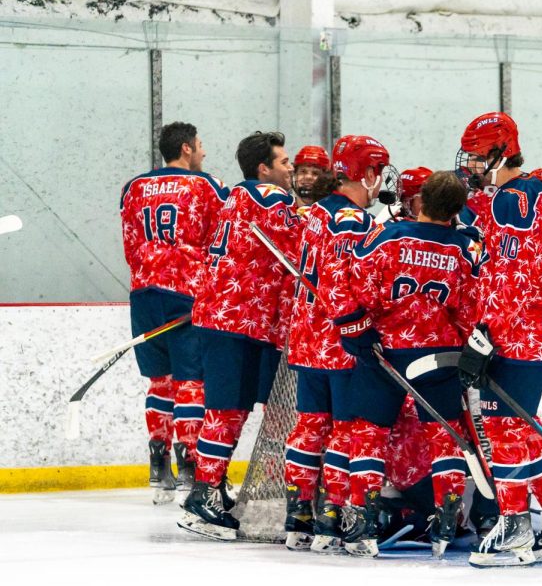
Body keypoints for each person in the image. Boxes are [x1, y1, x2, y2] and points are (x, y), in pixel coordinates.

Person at [454, 111, 542, 567]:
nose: (468, 164)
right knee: (524, 425)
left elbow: (514, 278)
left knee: (503, 427)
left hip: (517, 335)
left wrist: (487, 332)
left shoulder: (511, 200)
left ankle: (514, 526)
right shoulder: (532, 192)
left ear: (499, 152)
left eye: (475, 156)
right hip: (538, 330)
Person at [328, 171, 480, 557]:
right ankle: (447, 523)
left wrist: (356, 329)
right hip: (438, 354)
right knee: (445, 435)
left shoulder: (388, 238)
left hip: (386, 352)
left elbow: (349, 285)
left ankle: (360, 522)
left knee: (369, 433)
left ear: (420, 202)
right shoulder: (463, 248)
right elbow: (470, 307)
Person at [178, 132, 299, 540]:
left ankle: (208, 489)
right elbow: (300, 250)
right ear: (263, 168)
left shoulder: (235, 196)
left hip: (228, 318)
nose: (291, 167)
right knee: (226, 409)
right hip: (237, 320)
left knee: (231, 409)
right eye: (283, 161)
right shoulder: (270, 198)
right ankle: (204, 495)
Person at [282, 135, 388, 553]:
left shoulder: (315, 212)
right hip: (337, 341)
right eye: (378, 170)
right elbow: (339, 283)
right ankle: (332, 520)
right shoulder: (351, 219)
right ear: (366, 172)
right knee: (345, 430)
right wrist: (358, 327)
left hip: (306, 336)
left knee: (309, 427)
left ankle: (300, 519)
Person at [119, 122, 226, 504]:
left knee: (159, 381)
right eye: (199, 145)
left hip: (144, 292)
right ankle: (191, 467)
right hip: (186, 293)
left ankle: (157, 464)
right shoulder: (206, 186)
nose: (203, 151)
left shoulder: (133, 188)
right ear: (185, 148)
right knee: (190, 382)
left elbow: (131, 242)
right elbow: (220, 241)